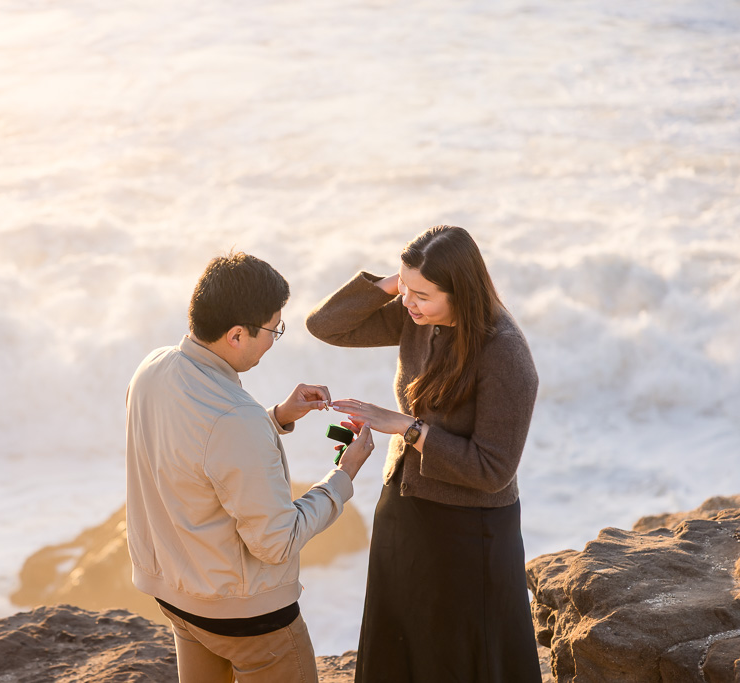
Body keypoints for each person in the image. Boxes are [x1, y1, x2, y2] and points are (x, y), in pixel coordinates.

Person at [306, 225, 543, 682]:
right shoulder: (415, 317)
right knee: (398, 650)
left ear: (462, 291)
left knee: (457, 661)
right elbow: (324, 325)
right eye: (404, 290)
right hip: (405, 509)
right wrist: (393, 283)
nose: (408, 304)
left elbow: (492, 469)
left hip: (469, 534)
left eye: (422, 294)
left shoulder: (505, 354)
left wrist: (406, 427)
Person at [126, 251, 376, 683]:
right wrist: (343, 476)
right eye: (273, 329)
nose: (273, 340)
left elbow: (196, 450)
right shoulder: (235, 419)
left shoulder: (152, 369)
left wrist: (277, 416)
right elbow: (277, 542)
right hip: (248, 619)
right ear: (237, 334)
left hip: (179, 599)